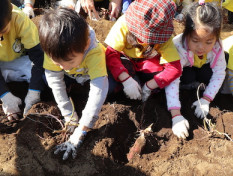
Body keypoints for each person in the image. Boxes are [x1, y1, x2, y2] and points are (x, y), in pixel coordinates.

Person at [105, 0, 186, 139]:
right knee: (110, 85)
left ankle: (144, 88)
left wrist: (149, 86)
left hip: (146, 63)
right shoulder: (124, 23)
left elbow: (175, 68)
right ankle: (128, 88)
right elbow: (111, 54)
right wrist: (126, 79)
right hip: (125, 62)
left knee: (158, 75)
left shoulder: (163, 34)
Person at [38, 8, 108, 160]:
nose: (63, 66)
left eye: (69, 61)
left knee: (111, 86)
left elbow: (98, 90)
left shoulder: (94, 51)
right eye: (57, 62)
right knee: (47, 78)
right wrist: (68, 114)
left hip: (90, 75)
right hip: (72, 77)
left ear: (86, 45)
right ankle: (74, 87)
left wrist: (82, 129)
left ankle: (79, 90)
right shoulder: (53, 49)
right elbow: (55, 82)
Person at [166, 1, 225, 138]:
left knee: (207, 74)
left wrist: (206, 100)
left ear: (216, 38)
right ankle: (190, 85)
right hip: (186, 71)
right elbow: (172, 79)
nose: (201, 48)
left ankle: (198, 87)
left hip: (201, 68)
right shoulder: (178, 46)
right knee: (186, 77)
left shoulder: (218, 46)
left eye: (208, 42)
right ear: (187, 33)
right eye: (195, 40)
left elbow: (219, 73)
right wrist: (176, 115)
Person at [0, 0, 45, 121]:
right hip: (2, 64)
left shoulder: (19, 19)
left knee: (45, 75)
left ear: (10, 17)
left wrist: (34, 90)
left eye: (3, 31)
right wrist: (4, 95)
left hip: (21, 60)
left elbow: (38, 57)